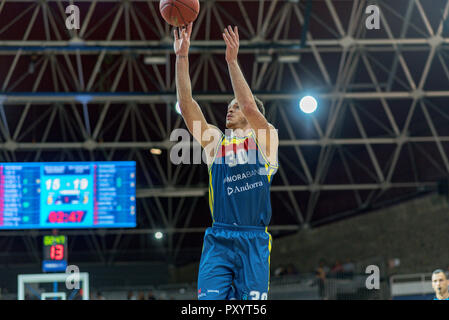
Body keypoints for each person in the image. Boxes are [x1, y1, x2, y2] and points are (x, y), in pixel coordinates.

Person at [174, 22, 279, 300]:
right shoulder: (215, 143)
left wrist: (232, 61)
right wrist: (182, 57)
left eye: (235, 106)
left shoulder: (267, 140)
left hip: (253, 239)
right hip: (219, 239)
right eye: (228, 106)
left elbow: (248, 105)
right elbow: (187, 106)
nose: (230, 110)